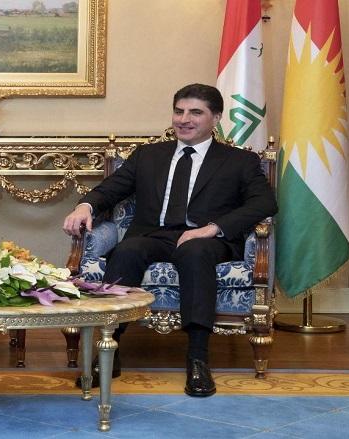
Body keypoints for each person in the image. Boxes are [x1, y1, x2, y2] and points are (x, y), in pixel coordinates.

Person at [62, 83, 277, 397]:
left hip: (206, 240)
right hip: (154, 235)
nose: (184, 119)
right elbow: (111, 188)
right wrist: (84, 205)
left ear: (216, 118)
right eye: (179, 111)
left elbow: (264, 203)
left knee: (195, 251)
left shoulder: (237, 161)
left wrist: (213, 228)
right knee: (126, 250)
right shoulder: (148, 155)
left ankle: (197, 359)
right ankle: (110, 351)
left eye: (195, 112)